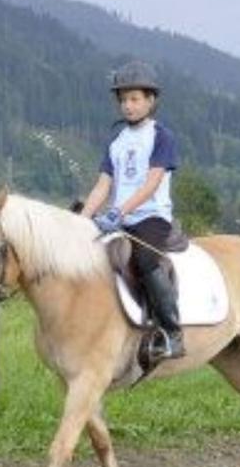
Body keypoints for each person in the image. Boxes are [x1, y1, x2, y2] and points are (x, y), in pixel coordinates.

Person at [78, 60, 184, 361]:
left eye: (135, 99)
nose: (128, 105)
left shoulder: (162, 136)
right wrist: (81, 221)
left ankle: (172, 332)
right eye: (123, 99)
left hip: (152, 217)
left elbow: (151, 184)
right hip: (119, 219)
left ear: (151, 100)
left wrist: (119, 212)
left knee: (145, 259)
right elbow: (102, 186)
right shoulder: (117, 141)